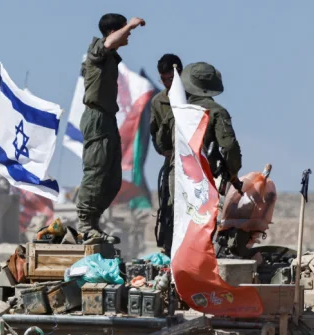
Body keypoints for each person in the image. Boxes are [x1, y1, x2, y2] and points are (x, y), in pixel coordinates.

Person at [76, 13, 146, 243]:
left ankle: (93, 221)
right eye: (125, 32)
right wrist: (130, 25)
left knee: (113, 178)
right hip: (96, 117)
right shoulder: (98, 48)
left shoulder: (111, 56)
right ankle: (84, 223)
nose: (129, 36)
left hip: (107, 118)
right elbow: (108, 43)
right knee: (96, 170)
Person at [181, 62, 241, 190]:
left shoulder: (176, 111)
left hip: (179, 177)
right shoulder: (218, 112)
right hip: (207, 178)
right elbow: (229, 146)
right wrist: (233, 172)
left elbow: (162, 142)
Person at [149, 54, 182, 253]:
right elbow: (154, 132)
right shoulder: (158, 102)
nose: (168, 83)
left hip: (195, 163)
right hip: (172, 163)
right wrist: (164, 152)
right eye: (164, 79)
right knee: (170, 206)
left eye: (171, 78)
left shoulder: (193, 97)